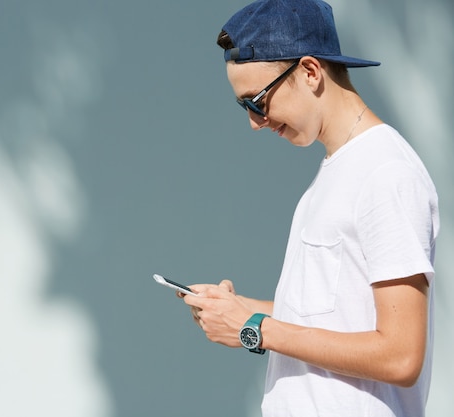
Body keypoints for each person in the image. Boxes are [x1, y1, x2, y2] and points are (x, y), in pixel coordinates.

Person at [179, 0, 440, 416]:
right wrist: (240, 310)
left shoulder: (386, 173)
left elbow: (400, 355)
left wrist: (255, 330)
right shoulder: (339, 170)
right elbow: (336, 318)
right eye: (243, 106)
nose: (254, 121)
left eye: (256, 101)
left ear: (310, 71)